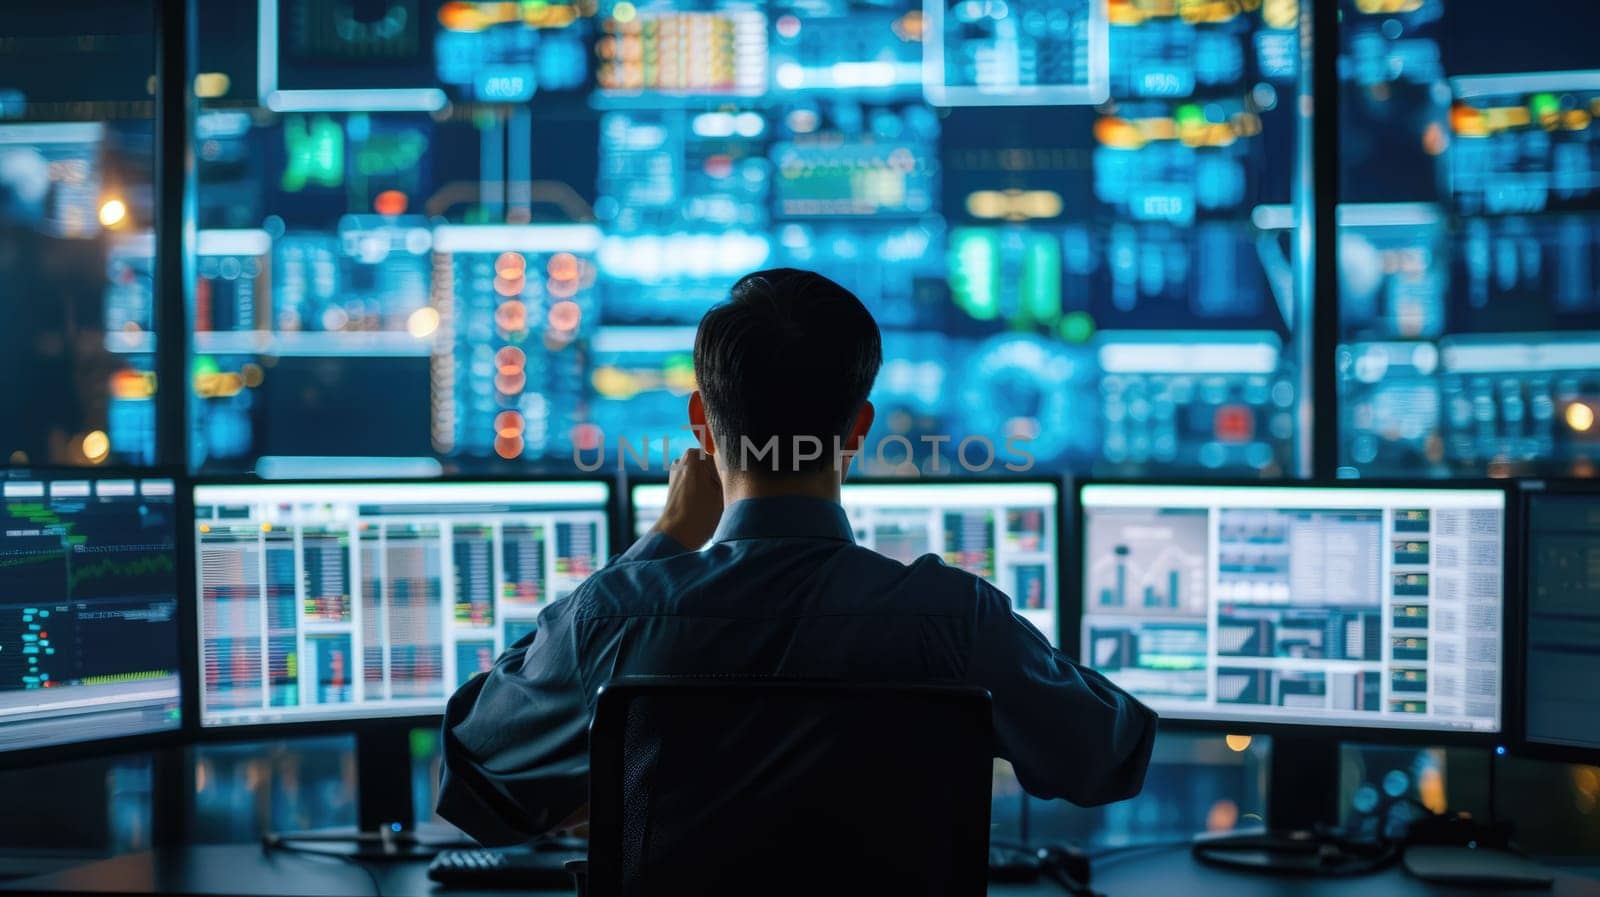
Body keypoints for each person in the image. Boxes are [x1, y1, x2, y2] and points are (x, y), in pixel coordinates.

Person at [437, 268, 1157, 845]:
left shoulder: (621, 613)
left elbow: (474, 774)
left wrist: (660, 544)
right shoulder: (953, 618)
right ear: (859, 431)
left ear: (702, 428)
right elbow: (1111, 755)